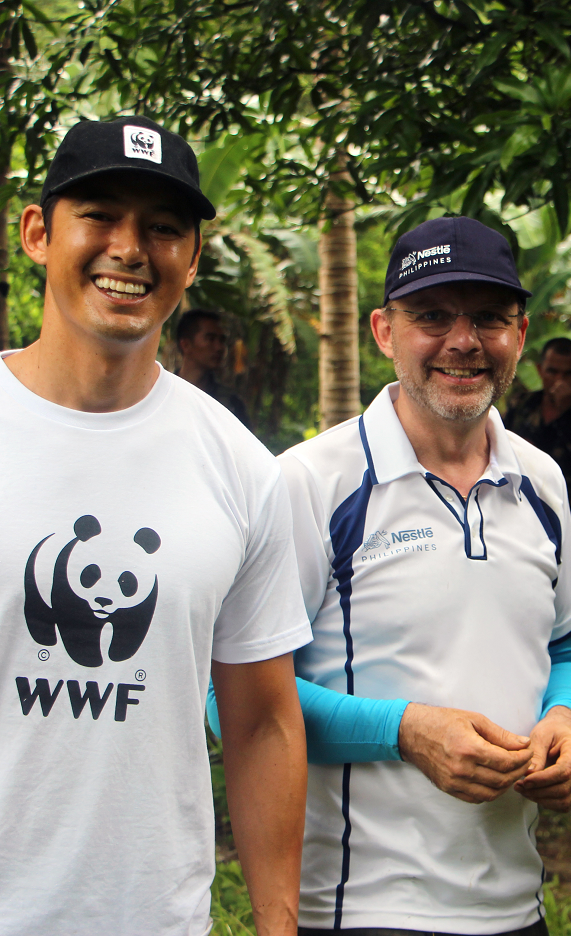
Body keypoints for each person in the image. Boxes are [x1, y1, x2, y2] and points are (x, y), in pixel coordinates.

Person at [0, 115, 312, 936]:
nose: (131, 248)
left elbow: (262, 721)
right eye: (100, 214)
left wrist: (279, 924)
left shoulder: (241, 467)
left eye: (164, 228)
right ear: (38, 232)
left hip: (153, 916)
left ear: (192, 259)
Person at [273, 216, 571, 934]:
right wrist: (406, 731)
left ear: (520, 332)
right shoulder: (309, 482)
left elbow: (561, 654)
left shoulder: (541, 481)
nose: (463, 340)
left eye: (488, 317)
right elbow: (227, 697)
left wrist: (569, 719)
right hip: (362, 908)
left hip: (517, 906)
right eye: (432, 316)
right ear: (384, 331)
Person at [504, 336, 571, 563]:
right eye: (552, 372)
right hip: (519, 509)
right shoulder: (522, 405)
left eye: (568, 374)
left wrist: (566, 415)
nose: (559, 380)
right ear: (541, 371)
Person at [176, 307, 252, 427]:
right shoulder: (161, 392)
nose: (219, 348)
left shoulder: (231, 404)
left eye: (221, 340)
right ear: (186, 345)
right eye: (210, 339)